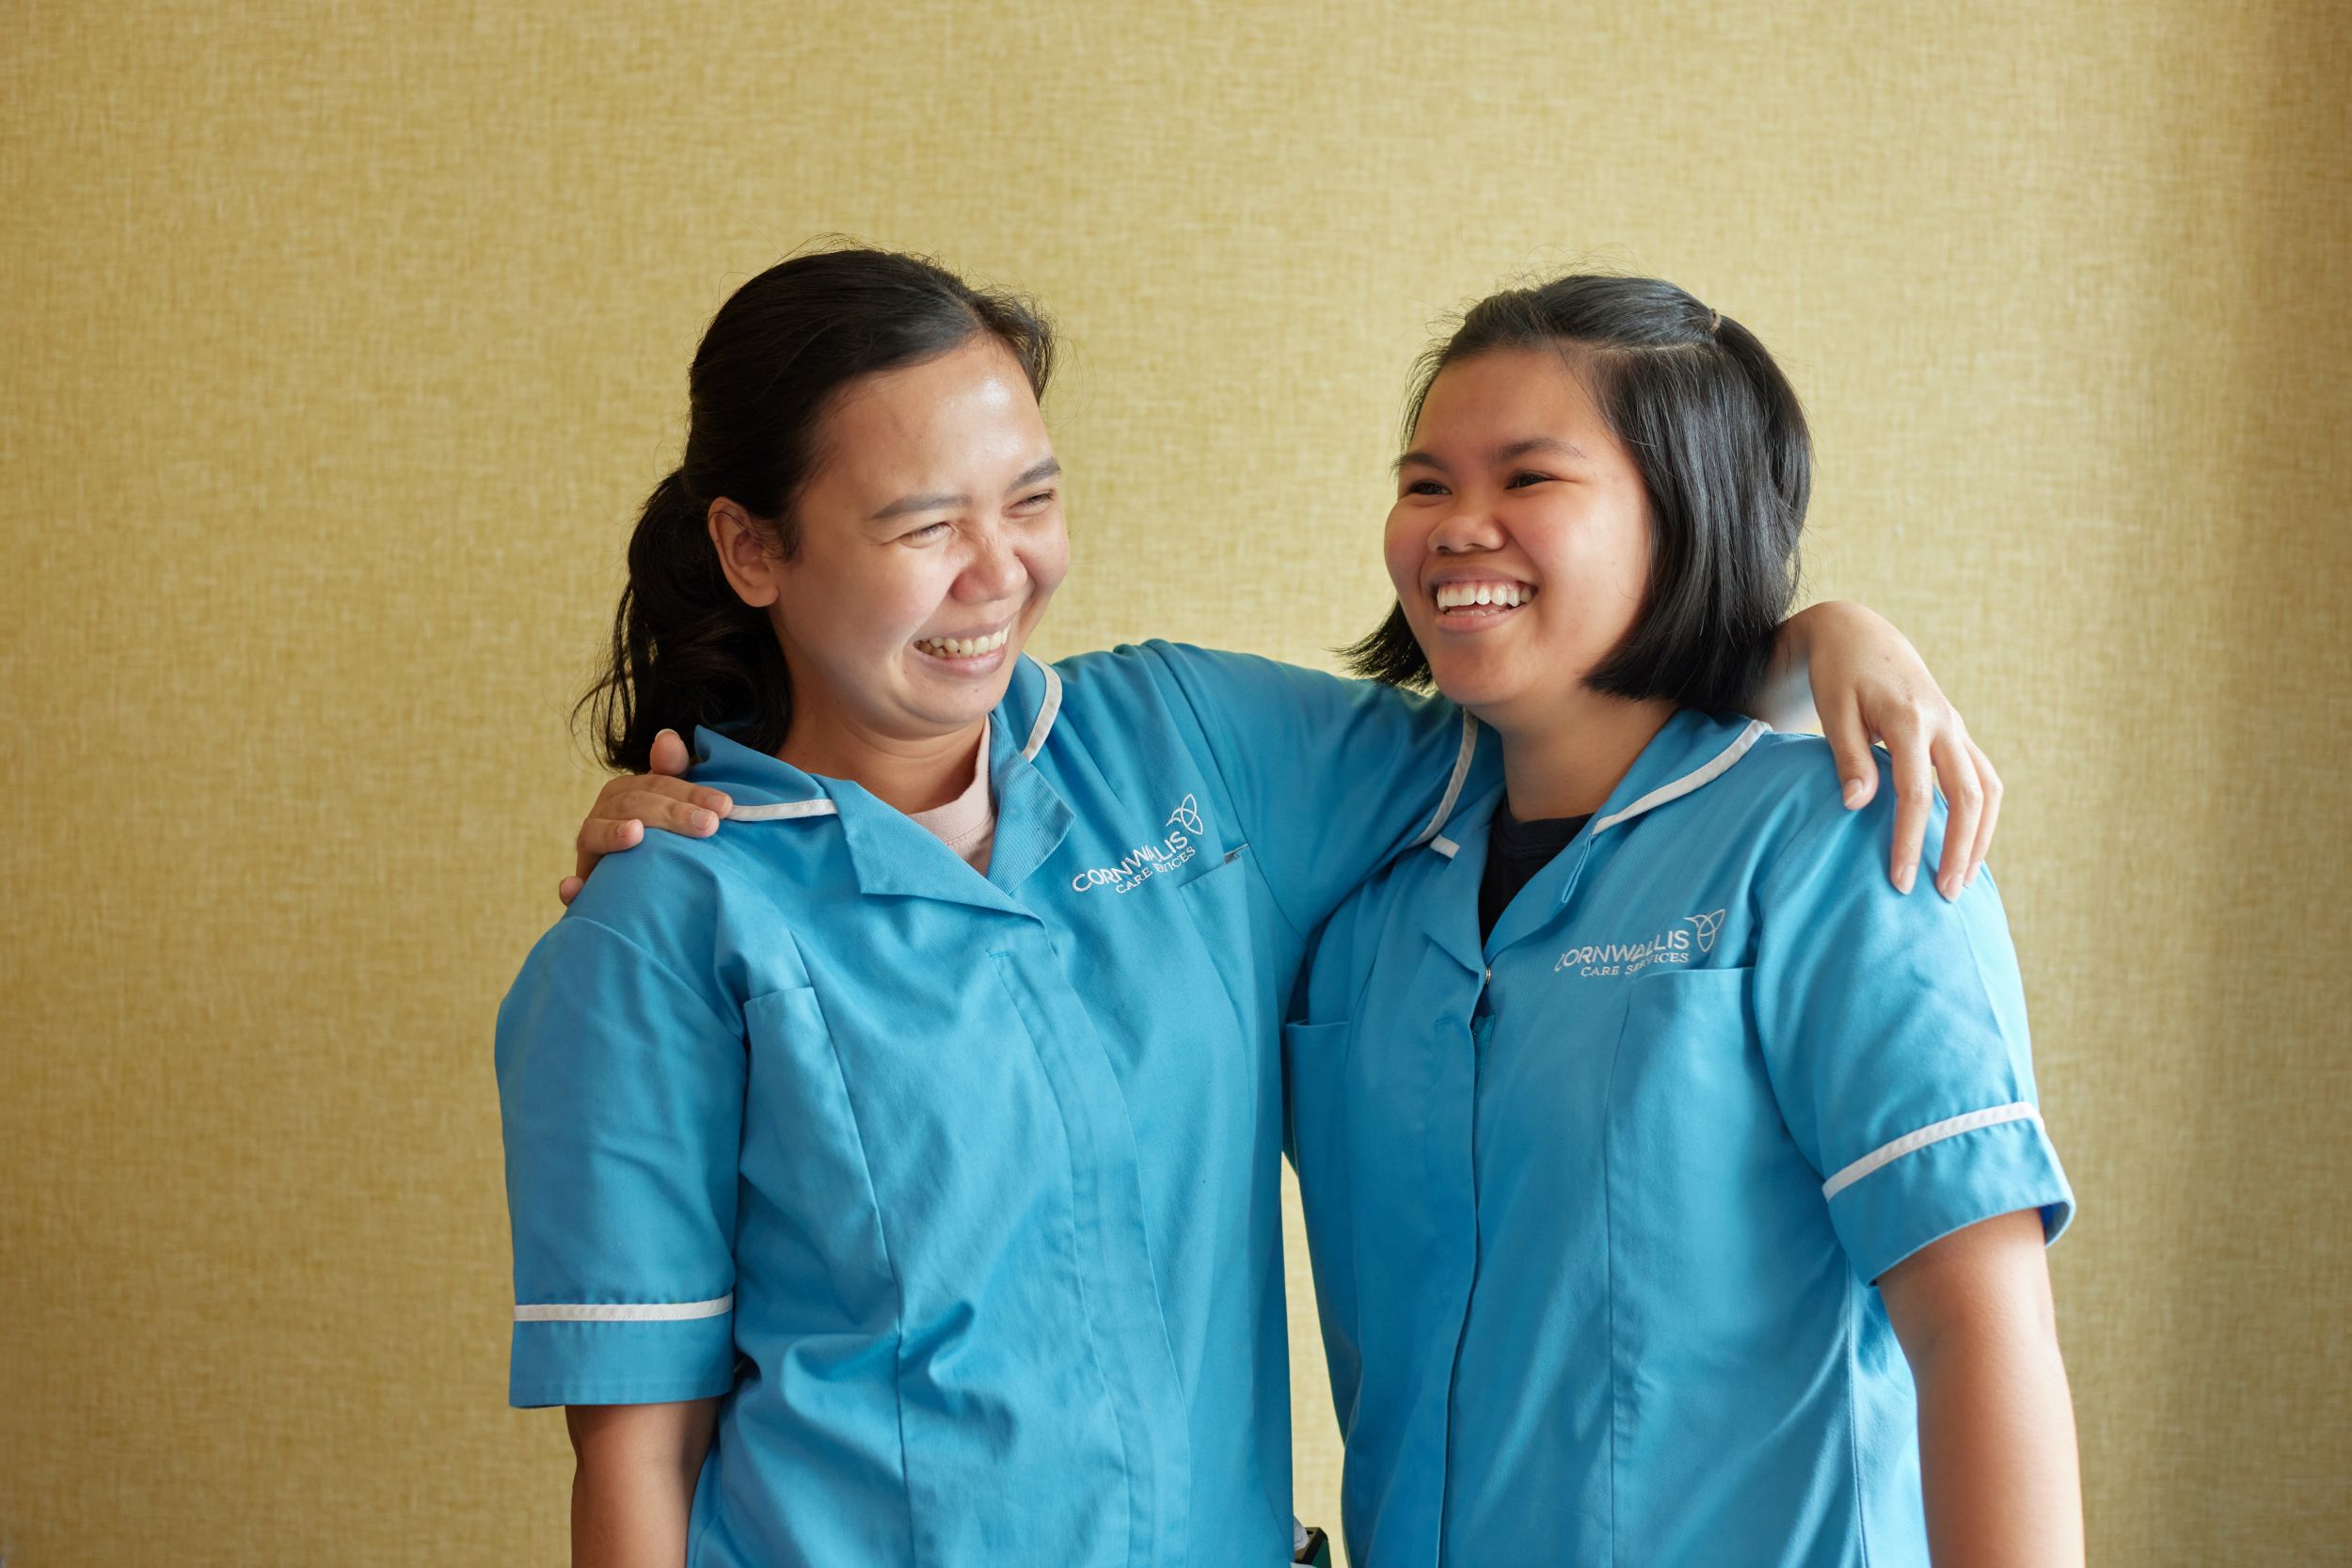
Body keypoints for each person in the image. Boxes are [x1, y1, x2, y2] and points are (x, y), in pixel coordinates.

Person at [512, 246, 2001, 1568]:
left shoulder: (1191, 751)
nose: (998, 572)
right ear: (752, 548)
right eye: (923, 526)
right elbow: (637, 1456)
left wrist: (1812, 640)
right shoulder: (667, 923)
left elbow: (1554, 706)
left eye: (1032, 501)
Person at [1283, 273, 2080, 1567]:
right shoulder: (1362, 882)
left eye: (1528, 478)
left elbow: (1978, 1330)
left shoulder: (1836, 840)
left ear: (1686, 512)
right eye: (1426, 484)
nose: (1457, 526)